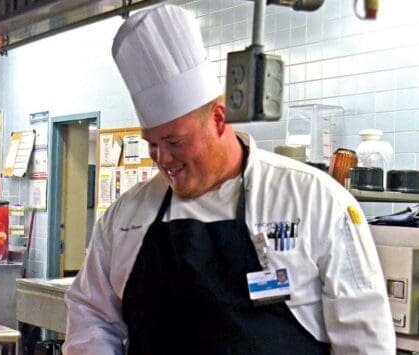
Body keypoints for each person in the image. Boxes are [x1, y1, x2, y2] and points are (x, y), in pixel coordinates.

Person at [63, 4, 395, 354]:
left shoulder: (314, 199)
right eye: (153, 144)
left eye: (174, 142)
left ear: (219, 119)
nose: (162, 159)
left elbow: (364, 340)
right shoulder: (126, 217)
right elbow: (91, 315)